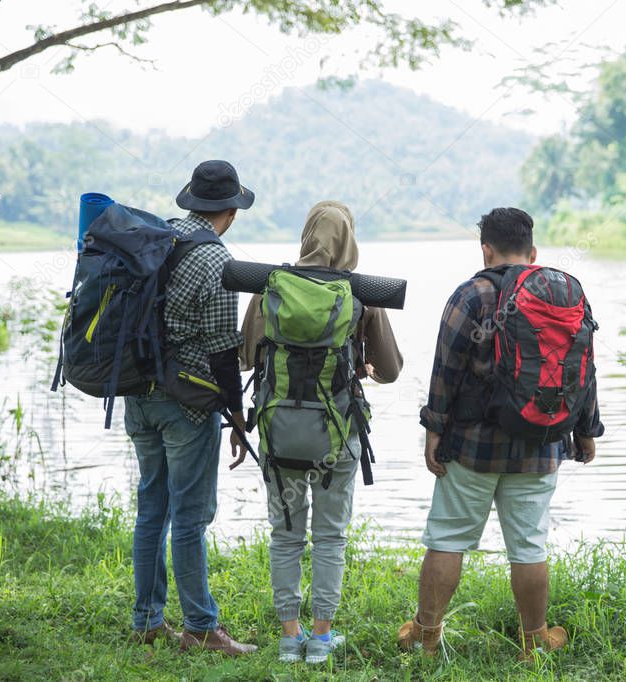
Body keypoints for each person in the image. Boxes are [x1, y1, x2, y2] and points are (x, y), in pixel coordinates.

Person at [398, 207, 604, 661]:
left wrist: (434, 429)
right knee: (529, 545)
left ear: (485, 249)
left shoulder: (471, 295)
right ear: (533, 252)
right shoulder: (564, 294)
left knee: (448, 537)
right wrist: (587, 430)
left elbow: (444, 369)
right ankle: (534, 641)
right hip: (542, 442)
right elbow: (582, 369)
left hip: (472, 446)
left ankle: (427, 635)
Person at [239, 200, 403, 664]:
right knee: (330, 537)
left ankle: (290, 639)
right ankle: (322, 638)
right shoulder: (359, 294)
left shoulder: (271, 287)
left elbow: (247, 357)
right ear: (348, 241)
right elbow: (390, 370)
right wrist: (361, 365)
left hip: (278, 435)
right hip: (337, 438)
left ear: (308, 234)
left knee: (285, 535)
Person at [125, 160, 257, 655]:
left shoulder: (158, 237)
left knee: (151, 509)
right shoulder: (216, 261)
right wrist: (239, 417)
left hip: (138, 395)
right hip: (187, 407)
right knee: (189, 518)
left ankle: (146, 620)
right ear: (231, 212)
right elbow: (225, 351)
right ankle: (200, 627)